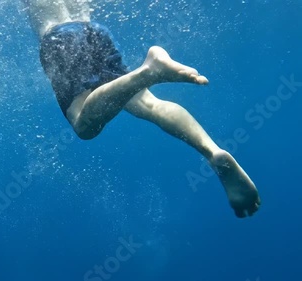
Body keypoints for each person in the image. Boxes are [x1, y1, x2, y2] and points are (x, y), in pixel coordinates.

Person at [23, 0, 261, 218]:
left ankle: (149, 72)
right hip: (94, 30)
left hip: (59, 38)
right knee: (148, 103)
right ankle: (212, 151)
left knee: (84, 126)